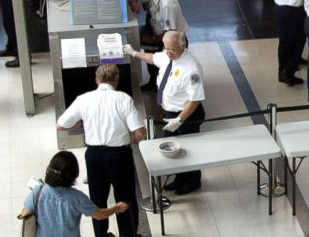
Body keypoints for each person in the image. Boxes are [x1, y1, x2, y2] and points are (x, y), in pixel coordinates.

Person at [56, 64, 146, 237]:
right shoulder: (123, 99)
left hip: (94, 156)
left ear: (96, 80)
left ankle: (101, 235)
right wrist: (132, 140)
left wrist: (78, 123)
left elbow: (60, 125)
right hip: (120, 155)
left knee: (97, 199)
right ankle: (128, 234)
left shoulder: (84, 99)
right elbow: (140, 132)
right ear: (117, 81)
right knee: (125, 198)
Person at [125, 31, 206, 195]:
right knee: (173, 149)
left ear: (183, 46)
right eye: (166, 47)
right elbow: (153, 58)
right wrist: (134, 53)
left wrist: (180, 119)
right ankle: (180, 177)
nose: (168, 52)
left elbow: (195, 99)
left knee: (189, 149)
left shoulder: (191, 69)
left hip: (186, 115)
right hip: (170, 113)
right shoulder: (168, 56)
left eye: (172, 49)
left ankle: (192, 181)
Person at [19, 151, 129, 237]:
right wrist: (117, 208)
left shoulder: (38, 191)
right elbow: (99, 215)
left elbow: (25, 212)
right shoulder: (77, 197)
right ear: (73, 175)